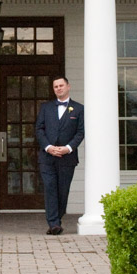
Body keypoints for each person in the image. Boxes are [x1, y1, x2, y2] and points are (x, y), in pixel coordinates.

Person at [35, 75, 84, 235]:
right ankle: (54, 223)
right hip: (47, 157)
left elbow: (80, 132)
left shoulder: (78, 109)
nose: (58, 89)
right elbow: (39, 129)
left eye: (61, 85)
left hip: (67, 158)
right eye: (55, 87)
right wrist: (48, 147)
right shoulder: (46, 108)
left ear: (68, 86)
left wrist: (68, 148)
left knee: (63, 190)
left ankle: (57, 217)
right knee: (50, 188)